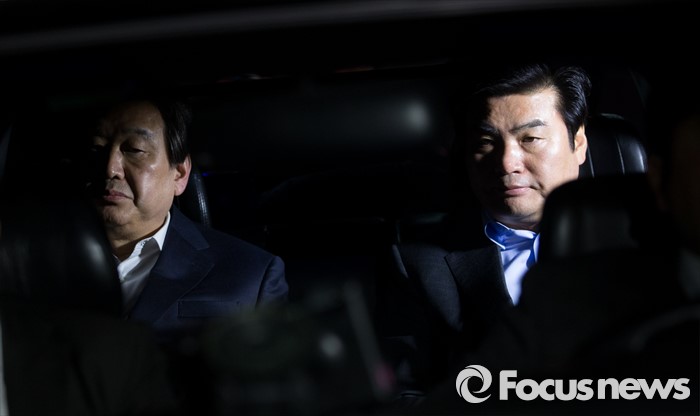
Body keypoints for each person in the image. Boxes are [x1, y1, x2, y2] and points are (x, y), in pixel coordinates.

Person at [375, 62, 590, 403]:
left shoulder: (647, 239)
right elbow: (404, 395)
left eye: (530, 139)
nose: (507, 163)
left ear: (577, 143)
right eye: (486, 142)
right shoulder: (419, 266)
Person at [82, 91, 289, 346]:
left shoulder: (251, 276)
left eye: (134, 149)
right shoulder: (44, 259)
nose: (110, 168)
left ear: (179, 174)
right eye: (97, 149)